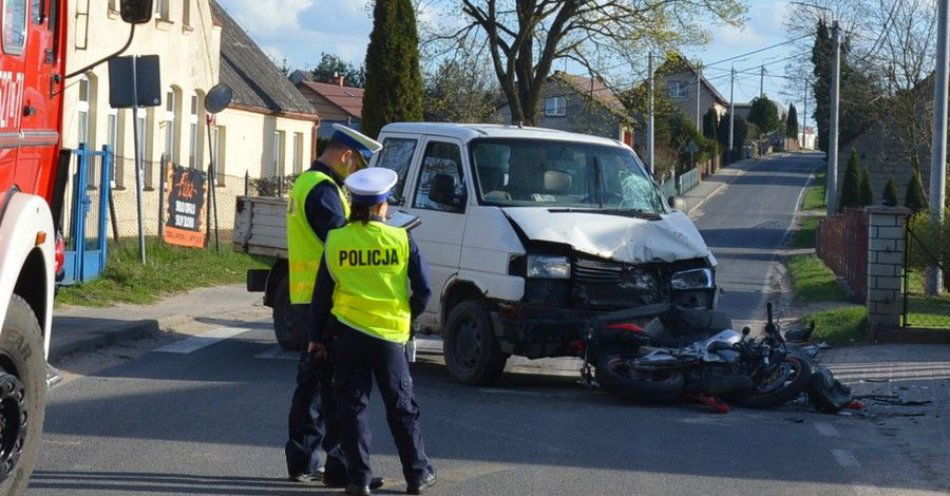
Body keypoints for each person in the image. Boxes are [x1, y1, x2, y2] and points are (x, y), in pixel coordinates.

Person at [309, 168, 437, 496]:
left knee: (353, 408)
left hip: (348, 335)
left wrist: (316, 338)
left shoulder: (336, 241)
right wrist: (408, 315)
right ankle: (417, 475)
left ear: (353, 204)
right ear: (381, 207)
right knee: (401, 406)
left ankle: (359, 479)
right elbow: (423, 290)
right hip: (390, 337)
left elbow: (322, 295)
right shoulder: (401, 239)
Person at [284, 124, 383, 491]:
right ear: (345, 155)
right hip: (324, 300)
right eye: (356, 164)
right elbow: (341, 242)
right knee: (335, 385)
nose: (355, 173)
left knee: (310, 383)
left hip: (306, 295)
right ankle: (341, 466)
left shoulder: (308, 183)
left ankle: (302, 460)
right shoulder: (324, 191)